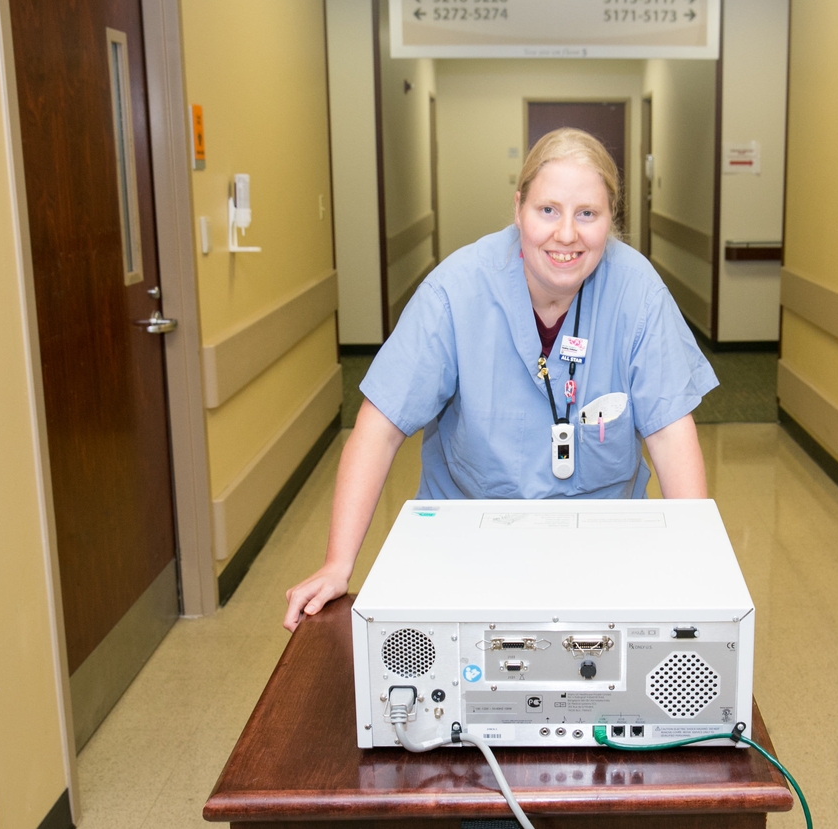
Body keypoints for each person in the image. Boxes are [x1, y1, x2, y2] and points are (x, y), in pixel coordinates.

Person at [283, 128, 717, 630]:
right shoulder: (457, 290)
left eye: (588, 214)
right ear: (519, 210)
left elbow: (669, 432)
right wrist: (339, 564)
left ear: (610, 221)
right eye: (548, 209)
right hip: (468, 541)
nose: (567, 234)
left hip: (603, 544)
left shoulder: (636, 290)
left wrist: (698, 568)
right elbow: (378, 429)